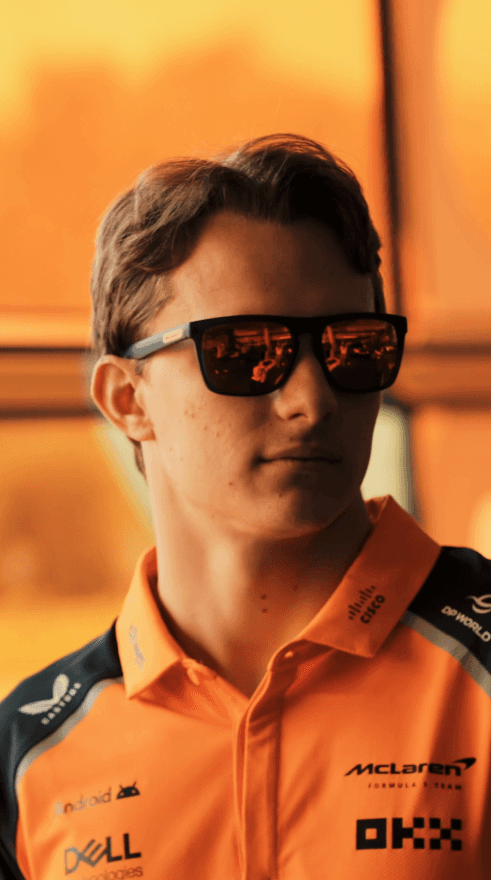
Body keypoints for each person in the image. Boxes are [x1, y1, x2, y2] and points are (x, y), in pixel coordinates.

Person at [1, 134, 490, 880]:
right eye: (247, 351)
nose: (311, 398)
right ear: (127, 400)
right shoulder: (29, 755)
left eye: (351, 349)